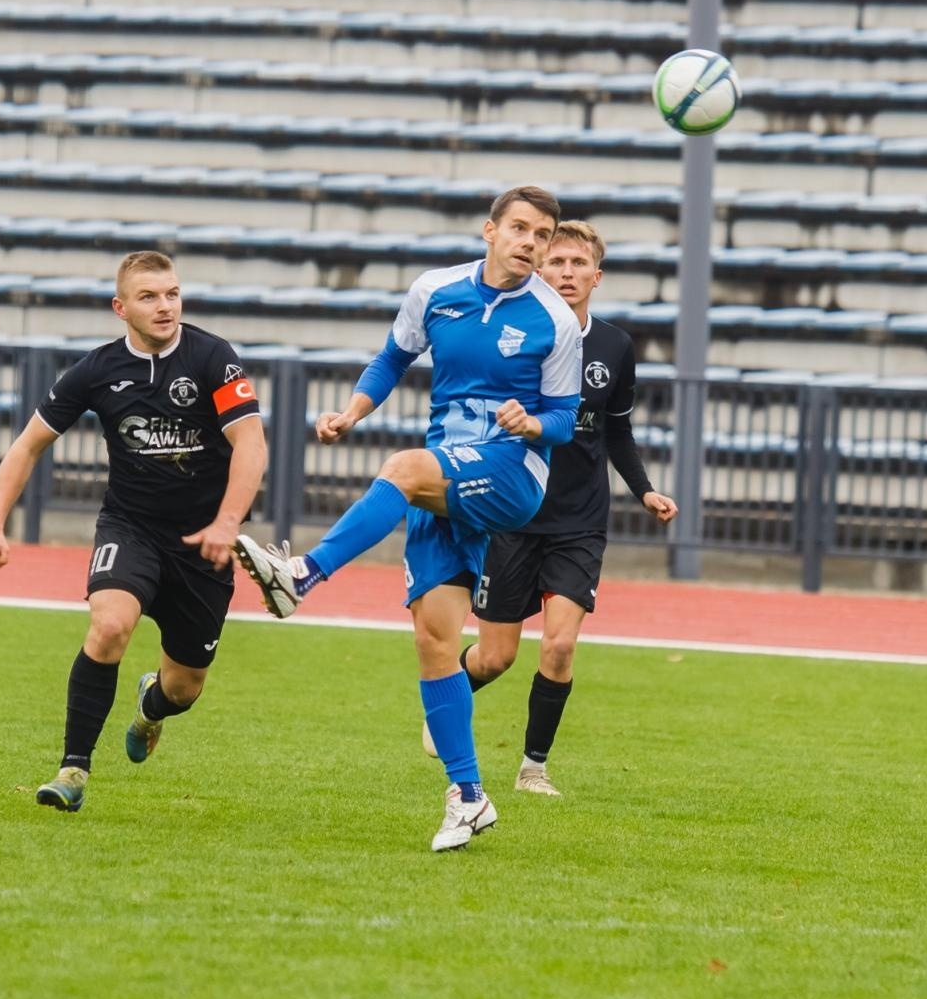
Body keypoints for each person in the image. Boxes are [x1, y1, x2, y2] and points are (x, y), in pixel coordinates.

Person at [233, 185, 582, 851]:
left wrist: (531, 419)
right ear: (490, 229)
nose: (532, 243)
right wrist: (353, 411)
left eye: (543, 234)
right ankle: (469, 795)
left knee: (401, 468)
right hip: (447, 474)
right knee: (433, 639)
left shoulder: (555, 322)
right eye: (521, 228)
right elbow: (394, 356)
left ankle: (302, 575)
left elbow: (565, 420)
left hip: (511, 475)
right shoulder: (436, 289)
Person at [0, 250, 267, 814]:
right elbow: (27, 445)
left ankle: (150, 707)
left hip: (205, 544)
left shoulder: (213, 358)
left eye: (172, 294)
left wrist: (227, 523)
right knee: (109, 627)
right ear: (120, 307)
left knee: (184, 689)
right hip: (131, 527)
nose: (165, 307)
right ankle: (73, 769)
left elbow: (250, 443)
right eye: (150, 297)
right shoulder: (96, 370)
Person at [425, 221, 678, 796]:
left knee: (560, 645)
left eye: (577, 264)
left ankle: (532, 768)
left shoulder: (615, 347)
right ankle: (446, 695)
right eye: (556, 262)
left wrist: (644, 491)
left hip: (579, 521)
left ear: (597, 276)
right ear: (540, 268)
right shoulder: (521, 331)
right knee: (494, 658)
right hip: (514, 514)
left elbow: (618, 433)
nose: (566, 272)